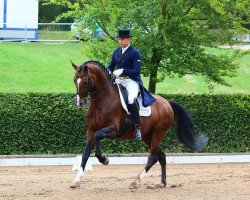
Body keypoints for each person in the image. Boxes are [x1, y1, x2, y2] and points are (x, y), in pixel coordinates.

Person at [108, 29, 156, 140]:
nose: (120, 41)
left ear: (128, 39)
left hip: (131, 81)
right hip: (118, 80)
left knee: (130, 99)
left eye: (123, 39)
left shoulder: (135, 52)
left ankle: (138, 128)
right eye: (119, 39)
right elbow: (110, 66)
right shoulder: (117, 51)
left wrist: (123, 70)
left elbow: (136, 71)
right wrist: (109, 72)